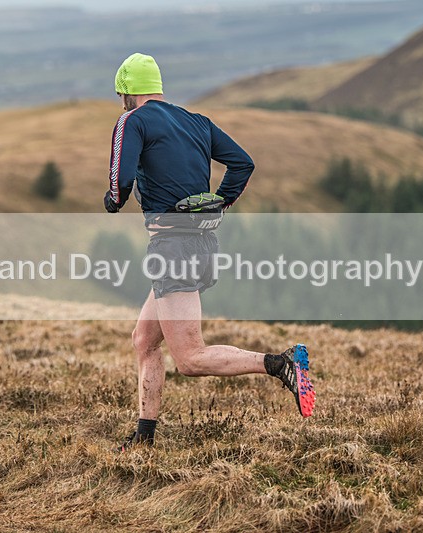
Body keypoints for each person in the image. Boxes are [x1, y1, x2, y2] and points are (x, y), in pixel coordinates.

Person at [104, 53, 315, 450]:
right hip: (200, 242)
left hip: (173, 245)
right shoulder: (196, 121)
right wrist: (220, 202)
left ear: (126, 92)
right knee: (144, 339)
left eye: (121, 96)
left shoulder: (132, 120)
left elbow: (121, 180)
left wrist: (112, 201)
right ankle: (143, 438)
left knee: (190, 358)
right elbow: (243, 163)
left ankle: (280, 363)